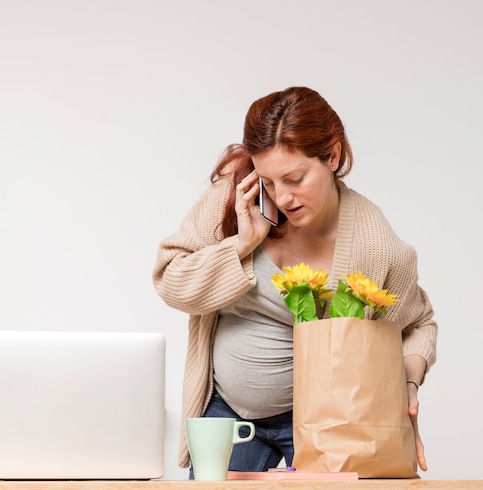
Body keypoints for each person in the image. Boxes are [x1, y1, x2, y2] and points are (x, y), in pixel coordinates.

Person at [152, 86, 438, 475]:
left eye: (295, 178)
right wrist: (241, 243)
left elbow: (418, 323)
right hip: (227, 411)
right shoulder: (237, 197)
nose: (281, 197)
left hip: (323, 420)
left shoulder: (377, 247)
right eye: (269, 181)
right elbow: (171, 281)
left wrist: (409, 385)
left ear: (332, 157)